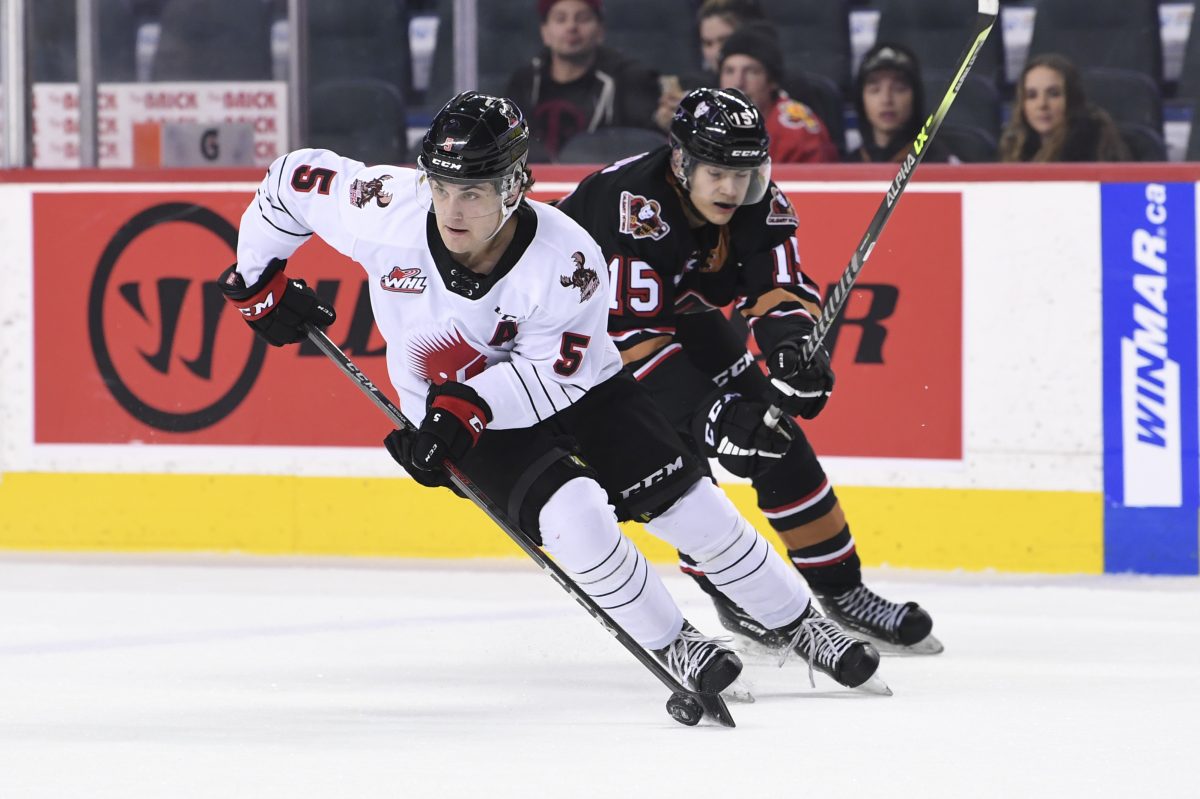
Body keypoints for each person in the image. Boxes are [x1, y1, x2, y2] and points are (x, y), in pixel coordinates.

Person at [218, 91, 887, 699]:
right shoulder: (385, 209)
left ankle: (800, 623)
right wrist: (255, 279)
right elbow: (290, 182)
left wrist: (469, 407)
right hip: (462, 418)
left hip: (578, 387)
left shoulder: (567, 259)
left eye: (474, 191)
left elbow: (553, 375)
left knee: (692, 508)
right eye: (443, 187)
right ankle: (675, 641)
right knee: (576, 515)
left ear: (514, 186)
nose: (452, 209)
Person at [556, 87, 941, 655]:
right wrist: (710, 414)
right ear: (682, 161)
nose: (732, 189)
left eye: (744, 172)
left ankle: (844, 592)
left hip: (675, 315)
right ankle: (737, 597)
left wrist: (793, 351)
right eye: (717, 172)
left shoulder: (757, 199)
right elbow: (629, 343)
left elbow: (778, 288)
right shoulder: (633, 209)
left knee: (773, 434)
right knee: (682, 466)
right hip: (570, 337)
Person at [505, 0, 661, 159]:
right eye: (560, 19)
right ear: (545, 32)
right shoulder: (525, 81)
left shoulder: (629, 81)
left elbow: (644, 148)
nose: (571, 26)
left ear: (600, 31)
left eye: (583, 19)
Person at [717, 22, 838, 163]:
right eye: (729, 71)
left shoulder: (798, 133)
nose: (738, 83)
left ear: (772, 81)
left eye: (751, 72)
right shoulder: (706, 124)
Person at [654, 0, 765, 131]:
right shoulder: (693, 89)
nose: (716, 52)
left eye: (724, 40)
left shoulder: (765, 86)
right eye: (708, 44)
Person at [998, 53, 1129, 163]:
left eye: (1053, 94)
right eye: (1032, 96)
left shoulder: (1093, 150)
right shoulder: (1015, 147)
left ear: (1072, 98)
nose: (1042, 104)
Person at [848, 42, 956, 164]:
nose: (886, 100)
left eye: (899, 88)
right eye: (875, 90)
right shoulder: (847, 166)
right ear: (860, 99)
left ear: (916, 97)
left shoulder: (941, 163)